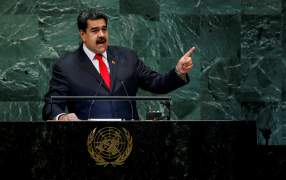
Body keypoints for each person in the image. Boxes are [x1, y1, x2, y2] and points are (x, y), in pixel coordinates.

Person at [42, 9, 195, 121]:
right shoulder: (66, 66)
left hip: (130, 140)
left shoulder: (127, 57)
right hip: (88, 143)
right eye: (95, 31)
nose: (101, 35)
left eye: (104, 29)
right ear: (83, 34)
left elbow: (156, 84)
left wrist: (178, 71)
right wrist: (61, 117)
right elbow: (51, 105)